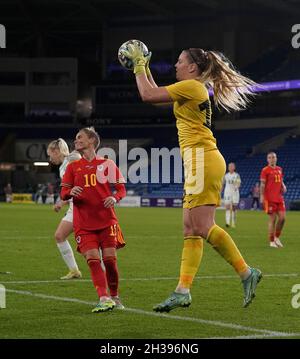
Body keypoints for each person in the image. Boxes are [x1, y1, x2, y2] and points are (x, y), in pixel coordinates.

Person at [123, 44, 262, 311]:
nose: (175, 66)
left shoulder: (192, 87)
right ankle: (182, 290)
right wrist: (144, 67)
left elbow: (147, 95)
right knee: (190, 227)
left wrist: (139, 65)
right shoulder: (191, 88)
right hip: (198, 160)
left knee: (202, 226)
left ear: (192, 68)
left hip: (203, 159)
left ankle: (246, 273)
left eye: (179, 61)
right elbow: (155, 94)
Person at [60, 127, 126, 312]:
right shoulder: (72, 167)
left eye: (79, 137)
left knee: (110, 261)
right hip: (83, 222)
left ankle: (114, 295)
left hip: (106, 221)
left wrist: (115, 198)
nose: (76, 141)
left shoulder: (107, 164)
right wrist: (69, 192)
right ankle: (103, 298)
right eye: (75, 138)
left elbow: (121, 189)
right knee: (93, 259)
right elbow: (63, 192)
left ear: (91, 140)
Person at [47, 139, 82, 279]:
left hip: (82, 207)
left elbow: (82, 175)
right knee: (59, 236)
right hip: (74, 207)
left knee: (88, 247)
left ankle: (106, 273)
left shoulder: (72, 159)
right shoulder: (63, 167)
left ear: (57, 152)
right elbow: (69, 188)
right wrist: (61, 203)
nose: (50, 159)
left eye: (51, 155)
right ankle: (74, 271)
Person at [260, 152, 287, 248]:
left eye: (274, 157)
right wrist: (262, 196)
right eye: (270, 157)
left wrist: (283, 186)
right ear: (267, 159)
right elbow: (262, 184)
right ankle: (271, 241)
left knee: (283, 218)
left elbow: (280, 180)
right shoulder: (265, 170)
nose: (272, 159)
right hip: (269, 198)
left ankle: (276, 237)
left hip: (279, 198)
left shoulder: (279, 169)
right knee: (273, 219)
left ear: (276, 158)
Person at [223, 162, 241, 228]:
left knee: (234, 208)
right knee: (227, 207)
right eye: (229, 166)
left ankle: (233, 223)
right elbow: (222, 183)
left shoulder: (237, 175)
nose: (230, 167)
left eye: (231, 166)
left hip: (235, 193)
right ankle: (227, 223)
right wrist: (220, 191)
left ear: (234, 167)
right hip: (227, 192)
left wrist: (236, 187)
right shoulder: (226, 175)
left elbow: (239, 183)